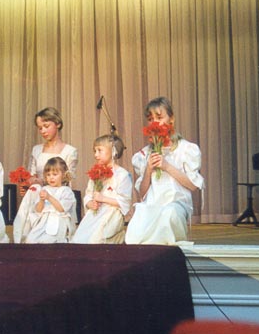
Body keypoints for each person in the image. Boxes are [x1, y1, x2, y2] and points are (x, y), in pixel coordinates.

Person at [125, 97, 203, 245]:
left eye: (159, 118)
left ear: (171, 119)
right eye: (150, 119)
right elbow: (142, 193)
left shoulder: (186, 149)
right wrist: (148, 170)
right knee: (139, 218)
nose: (154, 122)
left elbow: (193, 185)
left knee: (168, 215)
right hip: (152, 204)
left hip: (176, 203)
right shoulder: (144, 154)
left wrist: (167, 167)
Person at [71, 134, 132, 244]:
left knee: (96, 239)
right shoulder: (96, 173)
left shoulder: (122, 175)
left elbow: (124, 201)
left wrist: (103, 198)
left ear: (113, 151)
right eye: (95, 151)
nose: (96, 155)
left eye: (99, 150)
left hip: (112, 214)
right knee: (79, 240)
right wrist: (90, 203)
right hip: (96, 213)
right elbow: (89, 194)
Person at [12, 157, 77, 243]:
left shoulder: (66, 191)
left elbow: (62, 209)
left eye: (54, 174)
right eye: (48, 175)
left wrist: (49, 197)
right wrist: (42, 200)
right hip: (44, 222)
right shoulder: (45, 189)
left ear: (63, 175)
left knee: (48, 240)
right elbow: (38, 210)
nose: (51, 178)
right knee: (30, 240)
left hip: (58, 221)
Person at [21, 107, 78, 195]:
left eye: (46, 126)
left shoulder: (70, 151)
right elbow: (32, 175)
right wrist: (27, 185)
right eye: (40, 128)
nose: (43, 131)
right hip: (38, 195)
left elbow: (68, 179)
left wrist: (42, 181)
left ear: (58, 124)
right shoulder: (36, 150)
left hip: (59, 196)